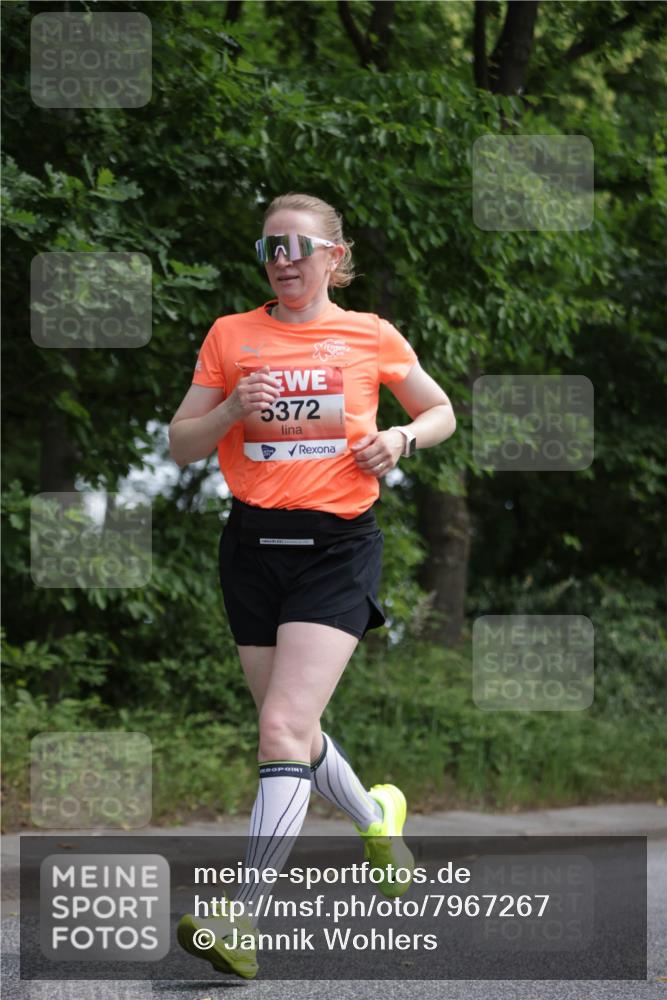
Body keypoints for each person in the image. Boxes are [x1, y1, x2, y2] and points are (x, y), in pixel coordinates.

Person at [169, 192, 456, 979]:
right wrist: (230, 406)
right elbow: (179, 447)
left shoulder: (369, 335)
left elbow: (440, 411)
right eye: (269, 249)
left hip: (337, 548)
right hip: (252, 548)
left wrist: (398, 437)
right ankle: (376, 818)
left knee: (279, 731)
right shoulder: (231, 336)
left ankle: (242, 917)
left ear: (334, 255)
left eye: (297, 246)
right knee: (289, 729)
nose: (283, 260)